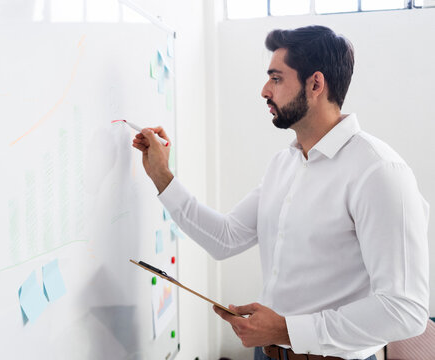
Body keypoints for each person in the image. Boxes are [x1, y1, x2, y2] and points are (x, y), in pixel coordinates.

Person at [132, 25, 430, 360]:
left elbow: (405, 309)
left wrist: (286, 329)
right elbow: (225, 238)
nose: (264, 90)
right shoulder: (283, 164)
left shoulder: (379, 172)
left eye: (276, 78)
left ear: (315, 84)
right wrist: (162, 176)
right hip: (268, 354)